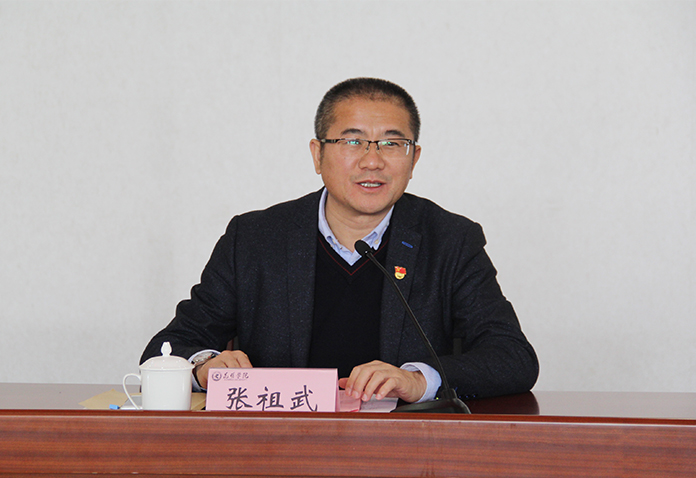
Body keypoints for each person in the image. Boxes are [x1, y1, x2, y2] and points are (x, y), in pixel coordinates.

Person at [141, 77, 538, 404]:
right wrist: (203, 367)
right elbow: (168, 348)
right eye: (352, 141)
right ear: (317, 155)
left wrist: (419, 379)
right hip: (279, 449)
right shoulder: (255, 239)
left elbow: (513, 357)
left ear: (414, 159)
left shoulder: (450, 241)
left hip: (404, 451)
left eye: (392, 143)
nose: (372, 160)